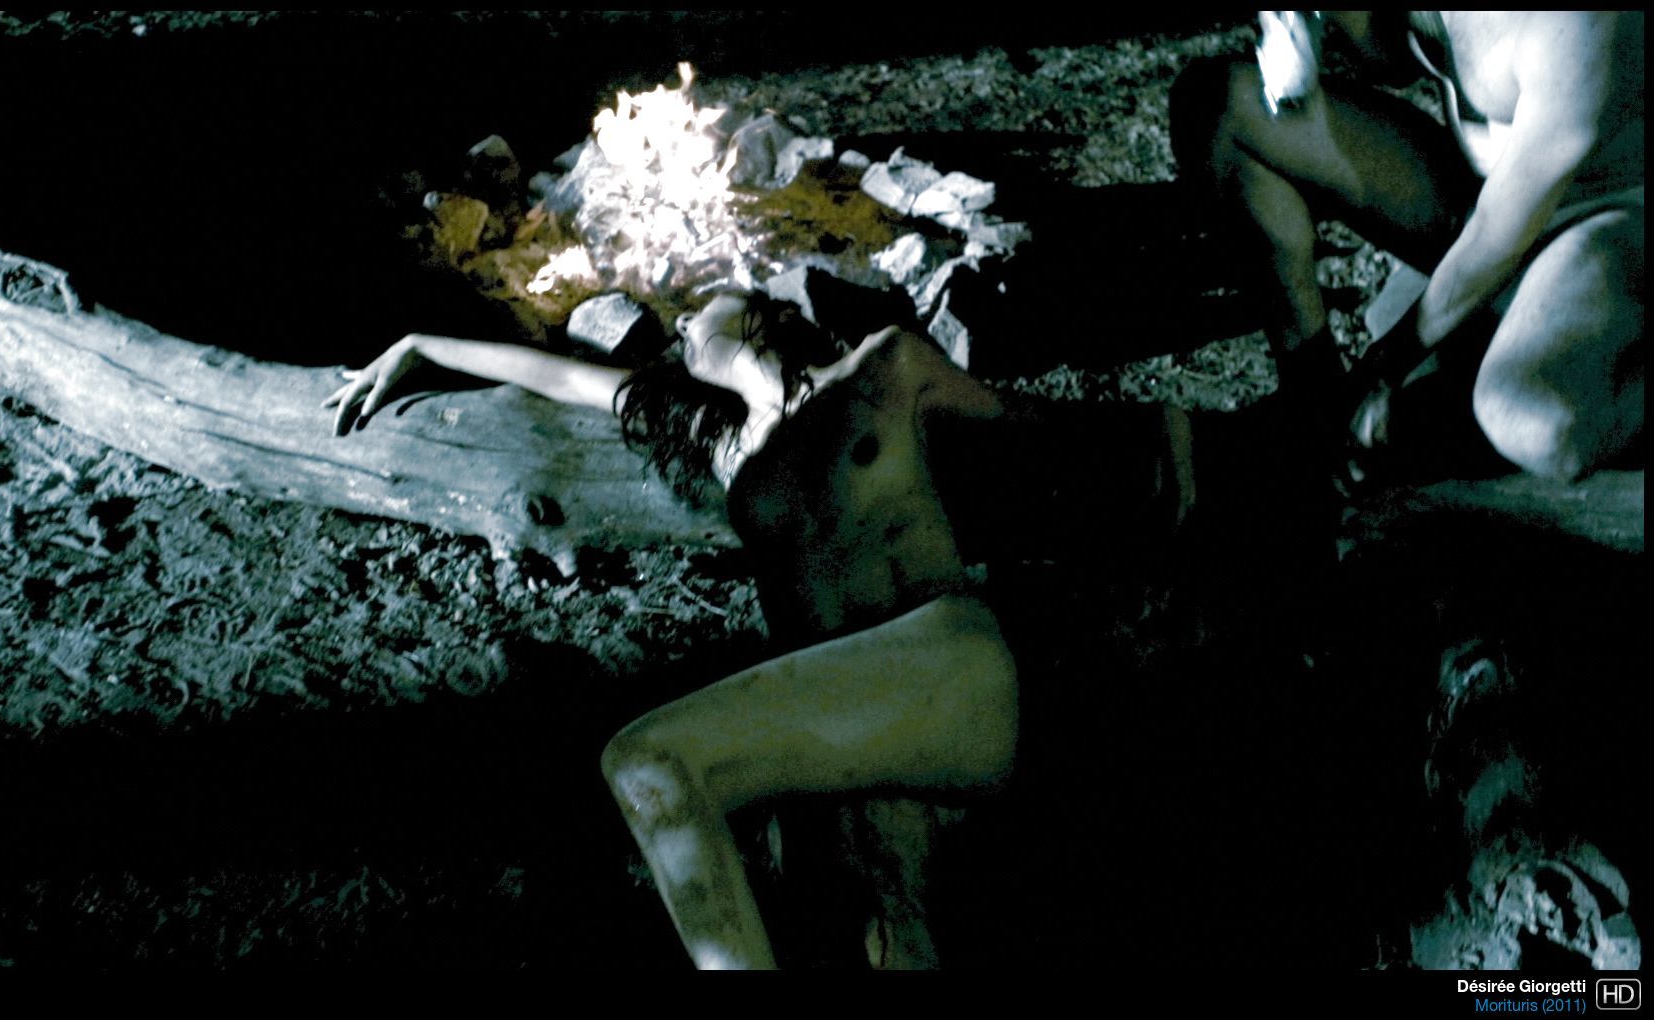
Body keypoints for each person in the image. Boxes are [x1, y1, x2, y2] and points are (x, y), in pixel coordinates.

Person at [327, 292, 1021, 969]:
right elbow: (560, 378)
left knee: (651, 764)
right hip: (836, 712)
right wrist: (420, 345)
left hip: (944, 662)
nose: (683, 321)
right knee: (881, 927)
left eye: (702, 307)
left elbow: (1022, 427)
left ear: (771, 316)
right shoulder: (722, 441)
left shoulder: (885, 365)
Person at [1172, 11, 1643, 483]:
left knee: (1533, 424)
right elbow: (1391, 61)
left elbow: (1497, 236)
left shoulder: (1580, 23)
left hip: (1598, 218)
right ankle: (1313, 397)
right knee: (1216, 103)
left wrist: (1383, 368)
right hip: (1474, 195)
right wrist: (1306, 25)